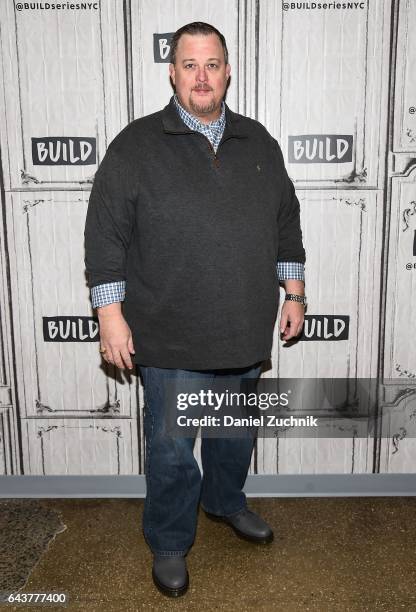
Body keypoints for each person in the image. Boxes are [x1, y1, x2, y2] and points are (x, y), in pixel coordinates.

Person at [84, 21, 306, 598]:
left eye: (212, 65)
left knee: (233, 437)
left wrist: (296, 292)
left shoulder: (259, 142)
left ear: (227, 71)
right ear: (173, 73)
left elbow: (287, 223)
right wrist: (111, 315)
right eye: (190, 65)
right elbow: (104, 235)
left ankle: (225, 504)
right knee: (174, 451)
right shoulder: (134, 145)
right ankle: (169, 540)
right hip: (169, 335)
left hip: (242, 330)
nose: (202, 77)